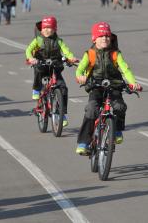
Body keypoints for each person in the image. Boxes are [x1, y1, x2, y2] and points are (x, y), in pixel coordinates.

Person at [75, 22, 141, 155]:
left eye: (107, 36)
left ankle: (116, 130)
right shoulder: (90, 54)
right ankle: (83, 142)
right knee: (91, 110)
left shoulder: (116, 54)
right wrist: (80, 77)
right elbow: (80, 69)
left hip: (114, 85)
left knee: (119, 107)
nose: (104, 38)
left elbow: (125, 69)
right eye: (101, 36)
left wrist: (133, 83)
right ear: (94, 39)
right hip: (96, 86)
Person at [25, 16, 79, 126]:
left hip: (55, 65)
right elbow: (29, 50)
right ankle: (36, 89)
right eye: (44, 28)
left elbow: (66, 51)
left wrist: (71, 57)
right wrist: (31, 58)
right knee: (38, 72)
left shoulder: (59, 41)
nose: (46, 30)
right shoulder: (38, 40)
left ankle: (62, 114)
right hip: (41, 64)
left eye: (49, 28)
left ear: (55, 29)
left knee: (62, 88)